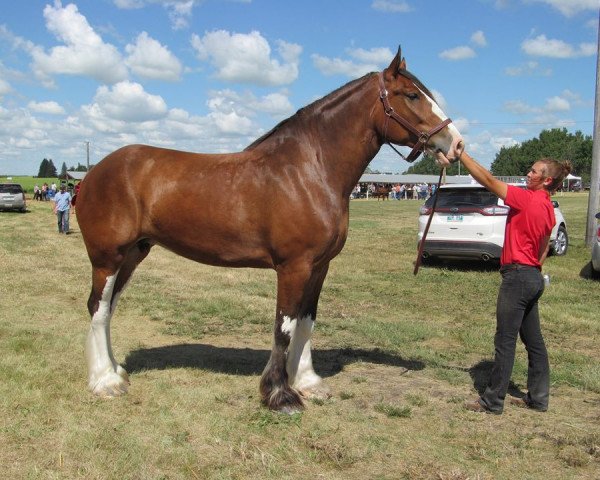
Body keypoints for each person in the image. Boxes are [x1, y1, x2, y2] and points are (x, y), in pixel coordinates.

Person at [456, 151, 571, 414]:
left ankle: (493, 401)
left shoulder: (526, 199)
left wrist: (462, 154)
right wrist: (533, 273)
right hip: (533, 277)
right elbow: (544, 250)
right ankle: (538, 398)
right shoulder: (548, 209)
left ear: (547, 180)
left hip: (517, 277)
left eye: (533, 172)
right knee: (534, 341)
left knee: (505, 340)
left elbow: (486, 178)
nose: (527, 174)